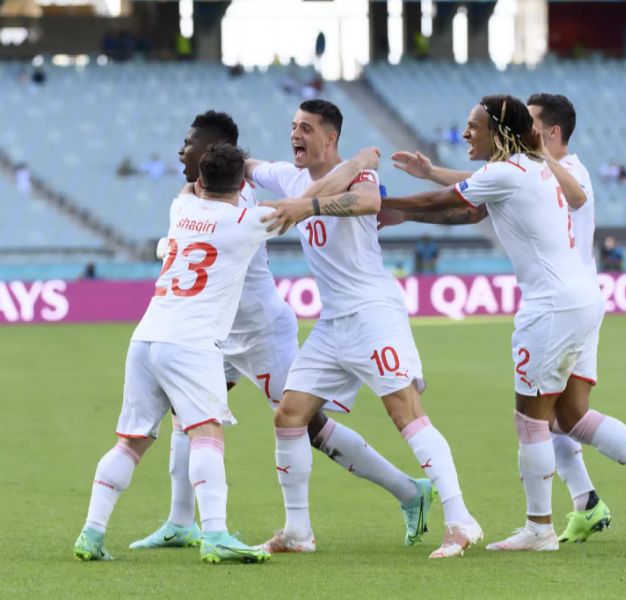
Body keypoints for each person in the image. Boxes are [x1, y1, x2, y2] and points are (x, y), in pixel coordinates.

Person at [383, 94, 626, 551]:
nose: (528, 130)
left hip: (553, 304)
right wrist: (430, 178)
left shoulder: (549, 168)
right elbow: (480, 189)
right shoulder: (539, 169)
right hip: (580, 297)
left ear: (544, 129)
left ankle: (540, 527)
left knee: (531, 422)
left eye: (531, 122)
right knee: (569, 416)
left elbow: (475, 190)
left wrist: (385, 205)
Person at [129, 111, 430, 552]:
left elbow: (304, 198)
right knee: (185, 415)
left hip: (260, 333)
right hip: (214, 334)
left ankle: (409, 490)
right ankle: (180, 521)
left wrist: (361, 161)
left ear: (211, 152)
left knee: (308, 426)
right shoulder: (198, 196)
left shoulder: (242, 203)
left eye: (189, 143)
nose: (181, 150)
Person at [250, 99, 480, 558]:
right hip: (333, 322)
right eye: (293, 126)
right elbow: (247, 164)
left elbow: (371, 202)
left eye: (306, 128)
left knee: (406, 414)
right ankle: (297, 532)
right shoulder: (289, 176)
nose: (295, 134)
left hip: (374, 313)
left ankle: (461, 521)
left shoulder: (361, 175)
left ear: (330, 138)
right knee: (289, 415)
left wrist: (309, 205)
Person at [73, 143, 283, 564]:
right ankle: (217, 534)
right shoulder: (247, 220)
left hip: (146, 336)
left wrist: (203, 175)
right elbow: (301, 208)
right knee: (207, 433)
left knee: (130, 443)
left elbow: (189, 189)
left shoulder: (180, 210)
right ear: (243, 184)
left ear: (201, 179)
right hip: (191, 341)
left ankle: (91, 534)